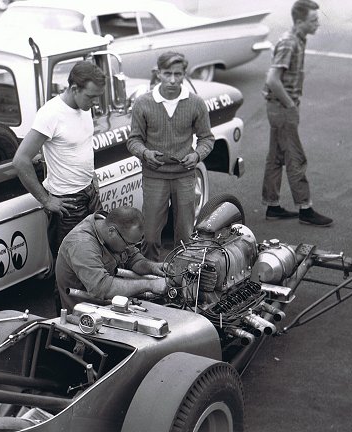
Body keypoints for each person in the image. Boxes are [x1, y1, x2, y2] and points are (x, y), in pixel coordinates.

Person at [13, 61, 106, 259]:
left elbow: (83, 143)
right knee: (70, 263)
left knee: (96, 254)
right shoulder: (50, 114)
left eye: (98, 97)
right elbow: (20, 160)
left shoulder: (85, 107)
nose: (95, 103)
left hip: (90, 192)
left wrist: (92, 175)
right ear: (74, 89)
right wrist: (46, 200)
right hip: (68, 203)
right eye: (91, 97)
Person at [127, 51, 214, 261]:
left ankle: (182, 276)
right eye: (167, 74)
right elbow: (133, 140)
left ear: (185, 74)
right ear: (158, 74)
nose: (173, 80)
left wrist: (197, 155)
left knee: (185, 234)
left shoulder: (196, 103)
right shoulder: (143, 103)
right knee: (149, 234)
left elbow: (207, 139)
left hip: (184, 176)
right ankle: (150, 277)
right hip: (154, 176)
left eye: (178, 74)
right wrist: (145, 153)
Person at [260, 0, 333, 227]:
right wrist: (291, 105)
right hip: (282, 108)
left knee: (276, 157)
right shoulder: (289, 43)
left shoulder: (298, 39)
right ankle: (305, 208)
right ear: (300, 21)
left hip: (280, 107)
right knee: (296, 157)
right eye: (313, 20)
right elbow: (272, 79)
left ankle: (272, 206)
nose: (317, 24)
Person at [56, 206, 168, 311]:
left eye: (135, 244)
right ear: (111, 231)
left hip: (111, 305)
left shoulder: (114, 229)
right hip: (86, 315)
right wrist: (150, 285)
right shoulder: (81, 244)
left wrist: (152, 267)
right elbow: (102, 288)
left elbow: (133, 259)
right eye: (129, 244)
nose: (131, 248)